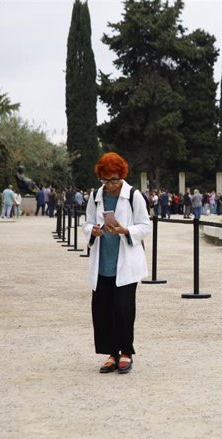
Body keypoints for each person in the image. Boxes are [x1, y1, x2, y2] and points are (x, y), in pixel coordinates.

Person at [82, 152, 151, 374]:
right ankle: (111, 352)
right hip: (103, 261)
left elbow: (145, 225)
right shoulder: (96, 195)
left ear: (121, 176)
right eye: (105, 179)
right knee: (103, 309)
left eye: (114, 179)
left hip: (126, 263)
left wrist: (125, 230)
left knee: (123, 309)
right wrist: (91, 231)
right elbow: (88, 221)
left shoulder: (133, 195)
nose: (110, 185)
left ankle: (126, 352)